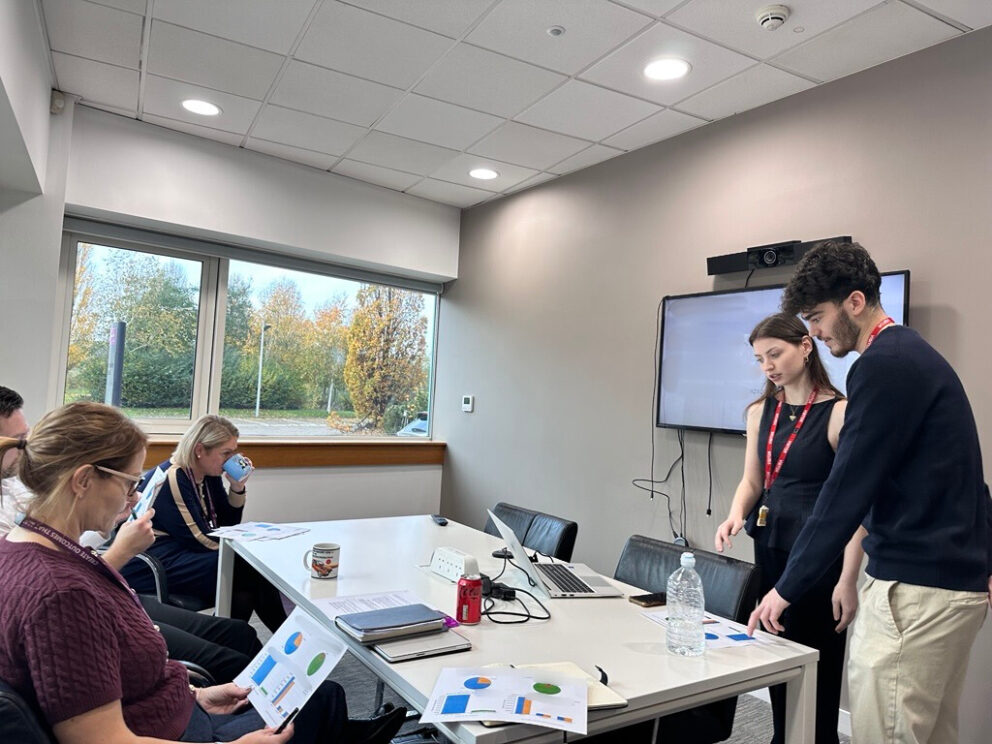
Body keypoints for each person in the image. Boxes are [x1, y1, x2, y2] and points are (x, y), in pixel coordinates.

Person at [0, 401, 406, 744]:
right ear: (84, 480)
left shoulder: (27, 548)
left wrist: (195, 695)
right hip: (173, 731)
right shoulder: (62, 594)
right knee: (321, 698)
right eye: (128, 484)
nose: (136, 496)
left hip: (177, 712)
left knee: (317, 698)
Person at [747, 241, 991, 743]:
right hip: (948, 583)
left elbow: (844, 492)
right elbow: (967, 474)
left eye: (816, 316)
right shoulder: (917, 356)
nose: (812, 330)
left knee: (889, 733)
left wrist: (785, 588)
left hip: (912, 590)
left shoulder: (882, 365)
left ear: (855, 303)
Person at [0, 385, 261, 684]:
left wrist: (110, 526)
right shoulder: (42, 565)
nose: (26, 450)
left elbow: (71, 553)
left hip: (111, 589)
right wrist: (120, 550)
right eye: (19, 441)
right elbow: (67, 583)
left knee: (241, 635)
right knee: (236, 661)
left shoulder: (22, 493)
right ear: (84, 479)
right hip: (105, 592)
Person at [714, 313, 863, 744]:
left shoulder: (839, 412)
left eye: (775, 354)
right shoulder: (760, 412)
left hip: (822, 559)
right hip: (773, 546)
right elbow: (752, 481)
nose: (769, 367)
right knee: (778, 653)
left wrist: (849, 579)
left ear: (805, 346)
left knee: (817, 661)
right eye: (761, 359)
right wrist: (736, 513)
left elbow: (854, 507)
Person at [121, 415, 287, 633]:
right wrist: (247, 548)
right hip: (155, 559)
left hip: (182, 550)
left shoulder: (208, 473)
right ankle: (278, 634)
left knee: (247, 574)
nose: (230, 459)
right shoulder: (176, 476)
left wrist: (237, 488)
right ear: (200, 450)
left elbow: (227, 524)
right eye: (226, 453)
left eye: (233, 452)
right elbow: (200, 539)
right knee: (246, 566)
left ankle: (232, 638)